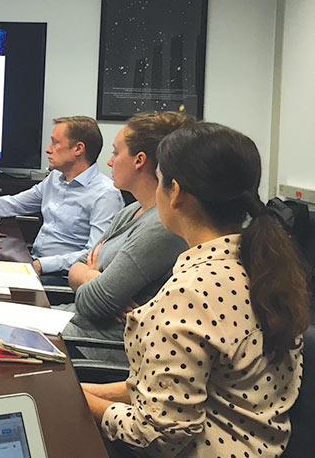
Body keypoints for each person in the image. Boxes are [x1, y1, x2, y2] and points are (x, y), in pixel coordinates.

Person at [83, 122, 309, 458]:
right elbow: (184, 389)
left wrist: (76, 400)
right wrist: (89, 391)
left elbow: (156, 434)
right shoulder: (261, 266)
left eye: (158, 180)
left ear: (176, 192)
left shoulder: (192, 292)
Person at [60, 112, 193, 359]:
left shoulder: (161, 226)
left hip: (95, 348)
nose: (109, 162)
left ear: (139, 160)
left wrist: (93, 280)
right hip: (73, 326)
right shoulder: (132, 210)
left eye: (116, 153)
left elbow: (93, 302)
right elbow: (78, 269)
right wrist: (93, 277)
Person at [0, 116, 124, 277]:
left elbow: (93, 254)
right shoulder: (54, 179)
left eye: (55, 143)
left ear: (78, 149)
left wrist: (42, 265)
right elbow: (10, 204)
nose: (48, 149)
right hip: (35, 263)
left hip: (62, 276)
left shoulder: (105, 194)